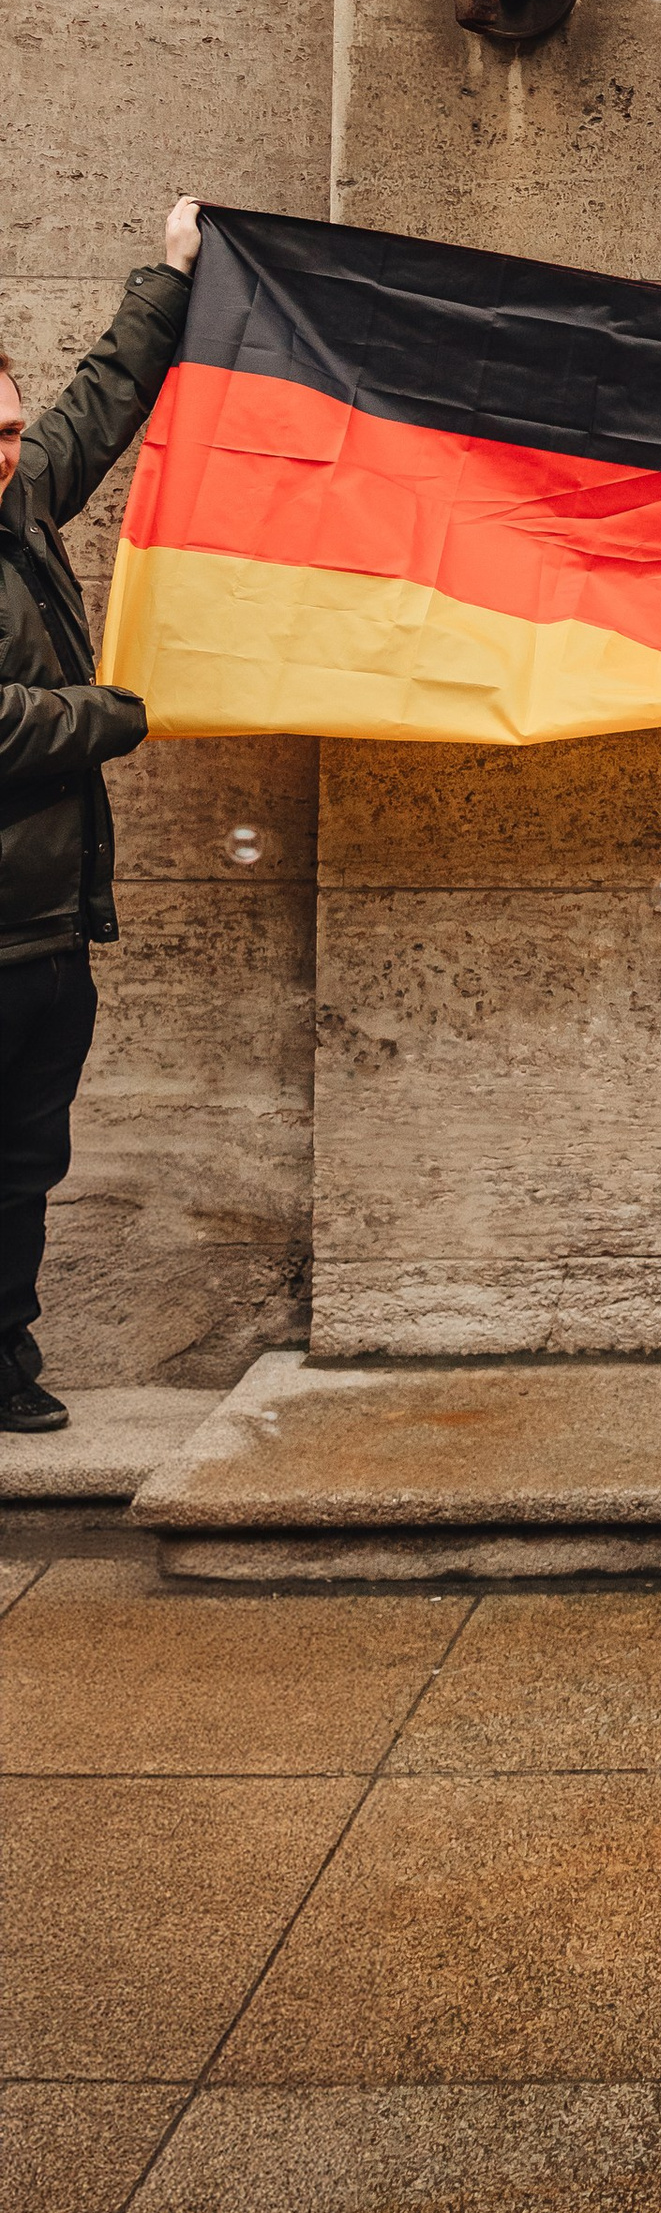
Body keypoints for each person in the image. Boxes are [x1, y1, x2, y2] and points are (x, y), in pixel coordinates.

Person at [1, 201, 200, 1436]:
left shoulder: (16, 505)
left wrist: (173, 277)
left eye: (11, 425)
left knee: (25, 1169)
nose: (11, 446)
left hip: (40, 933)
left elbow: (102, 400)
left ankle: (3, 1361)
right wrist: (114, 714)